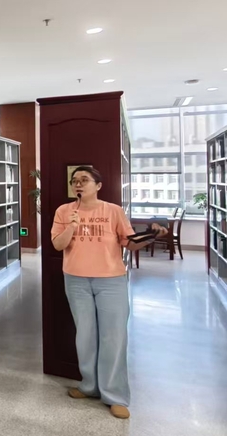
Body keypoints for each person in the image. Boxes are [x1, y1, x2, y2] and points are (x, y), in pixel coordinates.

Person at [51, 166, 165, 420]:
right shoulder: (64, 211)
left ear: (98, 185)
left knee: (113, 336)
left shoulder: (113, 211)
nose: (78, 184)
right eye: (75, 181)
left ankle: (114, 395)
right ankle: (89, 386)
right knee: (85, 335)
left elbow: (129, 242)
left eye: (85, 180)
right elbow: (58, 244)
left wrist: (151, 235)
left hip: (110, 280)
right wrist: (71, 226)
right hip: (76, 280)